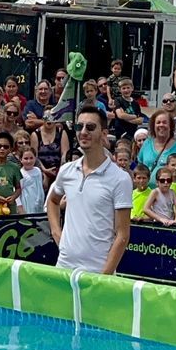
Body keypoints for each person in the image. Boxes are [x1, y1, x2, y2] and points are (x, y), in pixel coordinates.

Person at [47, 108, 132, 274]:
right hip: (64, 268)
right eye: (79, 127)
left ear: (104, 133)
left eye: (91, 127)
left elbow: (122, 235)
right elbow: (52, 201)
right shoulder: (66, 171)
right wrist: (57, 234)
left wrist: (103, 277)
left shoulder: (120, 179)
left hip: (97, 273)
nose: (83, 132)